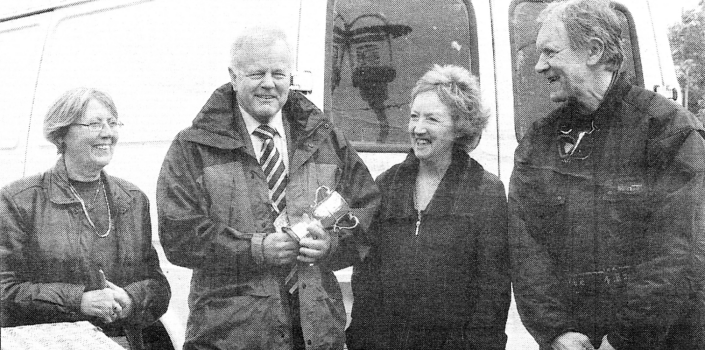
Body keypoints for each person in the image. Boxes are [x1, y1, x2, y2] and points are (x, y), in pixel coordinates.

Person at [156, 26, 379, 350]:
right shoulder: (193, 146)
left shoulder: (326, 139)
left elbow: (363, 204)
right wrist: (254, 249)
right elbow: (179, 235)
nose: (269, 84)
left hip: (315, 331)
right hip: (231, 336)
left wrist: (330, 245)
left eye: (278, 73)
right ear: (233, 76)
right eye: (256, 73)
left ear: (291, 77)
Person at [509, 0, 705, 349]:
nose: (539, 66)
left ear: (594, 51)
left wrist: (624, 339)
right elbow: (526, 248)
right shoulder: (539, 141)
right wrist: (556, 331)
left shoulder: (669, 129)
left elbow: (680, 249)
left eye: (550, 52)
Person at [347, 64, 511, 350]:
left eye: (432, 119)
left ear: (460, 127)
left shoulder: (485, 190)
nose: (418, 128)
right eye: (414, 117)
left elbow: (493, 293)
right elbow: (366, 277)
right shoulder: (388, 184)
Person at [0, 88, 171, 349]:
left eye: (112, 123)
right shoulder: (19, 200)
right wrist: (78, 300)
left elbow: (158, 286)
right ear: (62, 134)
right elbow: (4, 290)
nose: (107, 133)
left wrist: (130, 298)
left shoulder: (132, 199)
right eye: (94, 124)